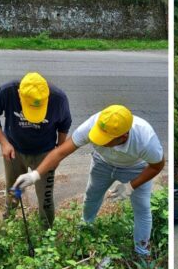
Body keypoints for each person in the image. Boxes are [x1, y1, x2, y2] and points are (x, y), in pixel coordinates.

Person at [13, 105, 165, 256]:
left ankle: (142, 252)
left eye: (105, 140)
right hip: (102, 163)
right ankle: (85, 228)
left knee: (142, 208)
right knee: (91, 196)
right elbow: (60, 152)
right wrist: (35, 175)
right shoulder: (95, 123)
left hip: (135, 168)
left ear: (123, 136)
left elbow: (157, 166)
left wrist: (131, 186)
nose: (99, 141)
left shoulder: (145, 140)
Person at [0, 72, 72, 228]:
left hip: (45, 154)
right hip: (14, 151)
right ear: (19, 94)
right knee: (13, 188)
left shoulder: (59, 99)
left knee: (45, 197)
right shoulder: (7, 92)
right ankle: (8, 221)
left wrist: (57, 152)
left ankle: (46, 232)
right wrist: (4, 143)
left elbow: (64, 125)